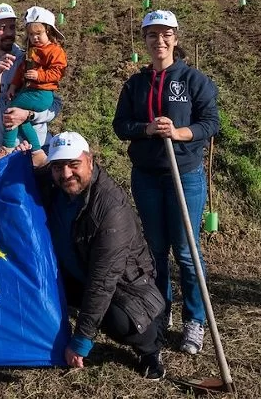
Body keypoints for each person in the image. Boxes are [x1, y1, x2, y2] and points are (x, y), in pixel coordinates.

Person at [112, 9, 219, 356]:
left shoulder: (193, 80)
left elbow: (211, 123)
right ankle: (161, 310)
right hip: (147, 177)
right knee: (155, 251)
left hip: (184, 175)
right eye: (152, 35)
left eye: (166, 34)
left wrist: (179, 132)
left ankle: (195, 319)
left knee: (186, 252)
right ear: (144, 40)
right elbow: (120, 125)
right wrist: (145, 129)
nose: (159, 41)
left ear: (175, 37)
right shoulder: (135, 84)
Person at [37, 131, 167, 380]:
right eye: (58, 167)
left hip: (124, 286)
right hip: (76, 271)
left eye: (74, 165)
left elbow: (103, 281)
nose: (66, 175)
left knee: (120, 321)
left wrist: (81, 341)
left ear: (90, 160)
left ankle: (150, 346)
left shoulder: (111, 209)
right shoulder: (54, 184)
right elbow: (31, 167)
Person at [0, 4, 62, 163]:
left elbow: (56, 105)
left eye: (12, 27)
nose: (9, 33)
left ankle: (35, 150)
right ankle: (8, 146)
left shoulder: (31, 58)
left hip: (37, 147)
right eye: (1, 28)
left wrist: (29, 115)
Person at [2, 6, 67, 152]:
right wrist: (13, 86)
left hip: (41, 94)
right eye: (31, 35)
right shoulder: (31, 51)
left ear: (48, 32)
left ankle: (7, 146)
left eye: (38, 34)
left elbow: (58, 72)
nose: (34, 38)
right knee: (22, 119)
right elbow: (21, 71)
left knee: (11, 111)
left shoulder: (55, 51)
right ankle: (36, 150)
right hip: (30, 92)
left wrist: (39, 75)